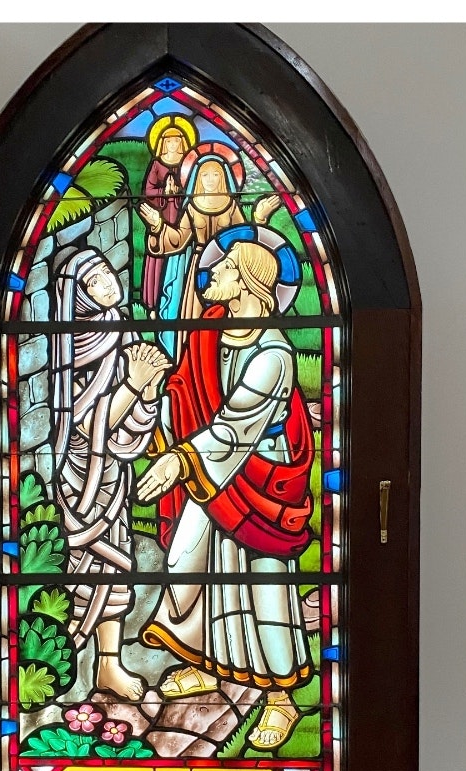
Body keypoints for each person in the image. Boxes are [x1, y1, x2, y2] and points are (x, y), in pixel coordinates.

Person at [134, 238, 315, 750]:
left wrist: (181, 459)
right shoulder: (208, 330)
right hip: (210, 470)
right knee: (189, 562)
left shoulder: (274, 354)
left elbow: (237, 427)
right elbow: (187, 390)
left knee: (261, 586)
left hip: (260, 481)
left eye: (224, 270)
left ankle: (282, 697)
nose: (210, 276)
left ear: (249, 282)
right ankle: (207, 665)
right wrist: (155, 400)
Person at [47, 249, 169, 701]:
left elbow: (127, 423)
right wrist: (133, 385)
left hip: (113, 472)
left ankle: (110, 666)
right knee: (83, 566)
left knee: (117, 564)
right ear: (77, 296)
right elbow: (77, 420)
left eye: (106, 273)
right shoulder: (66, 343)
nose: (108, 283)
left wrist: (147, 392)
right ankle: (68, 661)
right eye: (95, 280)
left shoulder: (121, 329)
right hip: (77, 476)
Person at [136, 148, 281, 358]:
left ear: (224, 177)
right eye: (205, 175)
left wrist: (259, 219)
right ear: (197, 178)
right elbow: (177, 240)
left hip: (229, 269)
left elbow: (245, 239)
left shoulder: (231, 205)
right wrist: (158, 225)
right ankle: (192, 364)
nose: (210, 180)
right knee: (195, 322)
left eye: (215, 174)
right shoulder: (193, 207)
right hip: (200, 269)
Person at [138, 116, 195, 316]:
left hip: (183, 217)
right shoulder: (156, 164)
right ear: (163, 143)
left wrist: (178, 193)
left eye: (177, 140)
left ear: (183, 142)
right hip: (160, 217)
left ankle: (180, 302)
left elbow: (194, 188)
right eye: (169, 140)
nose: (173, 144)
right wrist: (165, 194)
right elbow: (147, 191)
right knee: (157, 256)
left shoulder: (189, 163)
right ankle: (152, 305)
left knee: (182, 256)